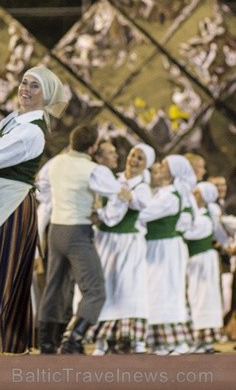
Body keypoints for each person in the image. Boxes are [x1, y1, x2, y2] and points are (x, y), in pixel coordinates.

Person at [0, 65, 68, 355]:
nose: (26, 89)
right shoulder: (16, 120)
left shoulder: (32, 133)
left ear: (46, 97)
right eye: (24, 82)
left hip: (10, 204)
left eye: (35, 86)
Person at [37, 124, 125, 355]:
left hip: (56, 230)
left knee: (55, 287)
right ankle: (73, 340)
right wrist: (105, 214)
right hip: (78, 230)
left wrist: (58, 202)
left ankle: (47, 341)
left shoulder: (55, 162)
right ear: (93, 146)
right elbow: (117, 194)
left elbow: (41, 188)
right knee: (95, 289)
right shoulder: (94, 170)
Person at [90, 143, 154, 355]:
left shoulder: (142, 186)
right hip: (106, 242)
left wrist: (130, 196)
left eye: (140, 159)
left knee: (129, 288)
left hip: (129, 244)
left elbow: (141, 203)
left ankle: (135, 339)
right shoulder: (113, 180)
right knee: (105, 286)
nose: (134, 160)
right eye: (133, 155)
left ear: (146, 165)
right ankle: (102, 341)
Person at [139, 154, 196, 355]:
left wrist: (129, 201)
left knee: (164, 290)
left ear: (173, 172)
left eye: (163, 165)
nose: (159, 168)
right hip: (159, 246)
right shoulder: (163, 193)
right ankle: (159, 340)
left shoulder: (171, 197)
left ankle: (172, 341)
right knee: (156, 290)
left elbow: (143, 213)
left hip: (165, 248)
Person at [184, 181, 223, 353]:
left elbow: (187, 233)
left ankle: (203, 339)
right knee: (193, 297)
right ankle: (196, 338)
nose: (193, 194)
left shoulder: (205, 218)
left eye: (197, 192)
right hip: (193, 261)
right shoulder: (196, 213)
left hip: (203, 262)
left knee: (203, 298)